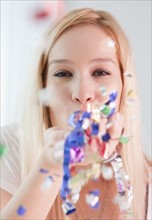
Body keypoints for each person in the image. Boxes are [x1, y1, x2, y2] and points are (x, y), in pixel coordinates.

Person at [0, 8, 151, 220]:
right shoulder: (8, 151)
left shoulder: (147, 183)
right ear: (43, 86)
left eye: (100, 72)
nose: (82, 94)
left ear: (124, 86)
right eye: (63, 73)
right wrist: (52, 164)